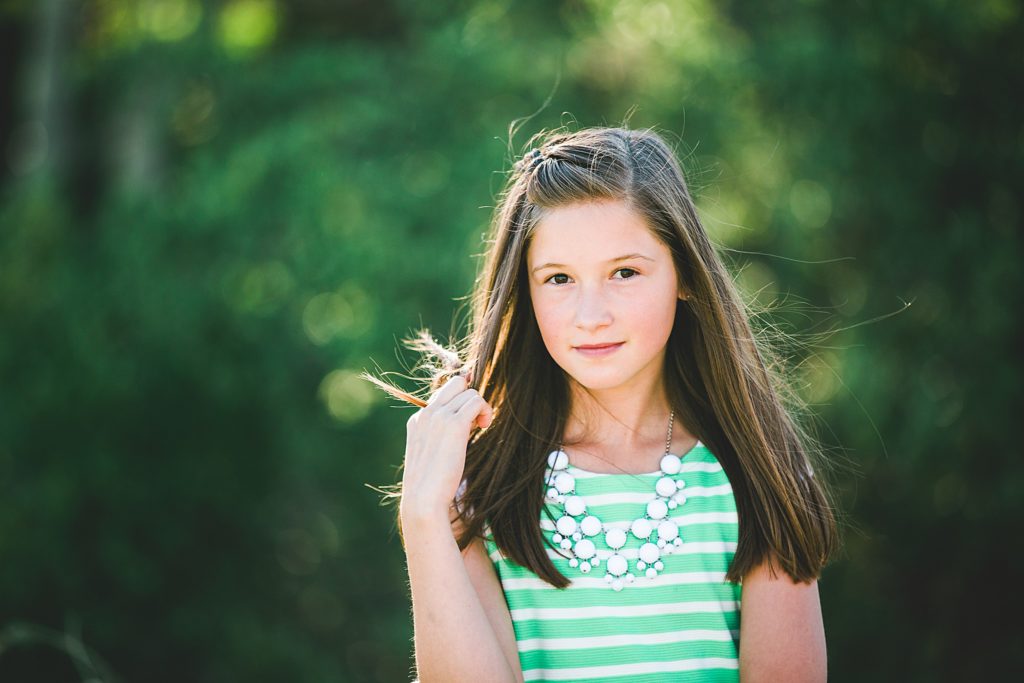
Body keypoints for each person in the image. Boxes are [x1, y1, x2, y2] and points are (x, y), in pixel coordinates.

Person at [364, 125, 839, 682]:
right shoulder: (480, 487)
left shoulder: (759, 471)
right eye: (559, 278)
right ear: (525, 290)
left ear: (684, 273)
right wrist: (423, 517)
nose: (592, 314)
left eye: (625, 272)